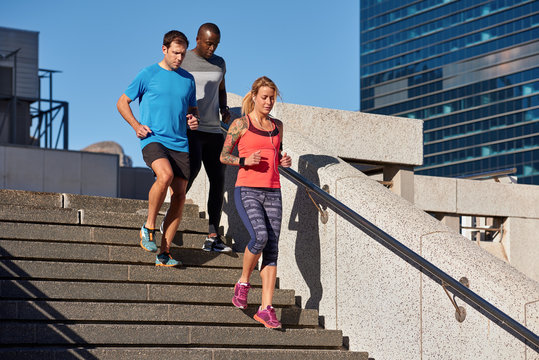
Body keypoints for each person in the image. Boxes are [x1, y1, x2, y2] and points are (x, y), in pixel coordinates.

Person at [117, 30, 199, 267]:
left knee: (180, 196)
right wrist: (135, 125)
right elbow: (122, 102)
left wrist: (193, 120)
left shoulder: (188, 79)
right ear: (164, 49)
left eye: (183, 54)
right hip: (153, 138)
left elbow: (191, 111)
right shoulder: (148, 74)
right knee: (165, 175)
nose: (179, 58)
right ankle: (149, 226)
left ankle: (164, 253)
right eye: (175, 53)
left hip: (180, 142)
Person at [220, 76, 292, 328]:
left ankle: (266, 308)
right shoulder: (241, 124)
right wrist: (244, 161)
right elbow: (223, 155)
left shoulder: (277, 126)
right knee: (259, 237)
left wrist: (283, 162)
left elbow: (277, 154)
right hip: (247, 188)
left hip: (273, 190)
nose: (269, 102)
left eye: (272, 97)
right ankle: (243, 282)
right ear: (254, 96)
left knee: (272, 249)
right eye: (264, 97)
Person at [179, 22, 232, 253]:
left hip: (213, 130)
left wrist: (224, 107)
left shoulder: (220, 63)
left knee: (218, 180)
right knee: (192, 172)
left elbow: (220, 88)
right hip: (191, 128)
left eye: (216, 44)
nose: (212, 48)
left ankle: (213, 235)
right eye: (209, 43)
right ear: (198, 40)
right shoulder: (184, 61)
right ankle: (170, 216)